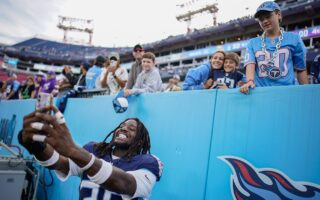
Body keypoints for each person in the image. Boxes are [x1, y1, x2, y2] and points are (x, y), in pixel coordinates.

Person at [18, 106, 163, 199]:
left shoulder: (149, 162)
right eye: (122, 126)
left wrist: (74, 150)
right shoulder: (94, 150)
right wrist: (37, 145)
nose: (124, 129)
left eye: (131, 129)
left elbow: (125, 184)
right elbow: (59, 163)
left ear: (140, 140)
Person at [240, 1, 308, 94]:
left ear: (278, 15)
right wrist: (250, 81)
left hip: (287, 92)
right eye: (261, 19)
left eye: (268, 16)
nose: (264, 21)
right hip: (261, 93)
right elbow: (250, 65)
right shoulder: (252, 43)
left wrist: (307, 91)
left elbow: (300, 70)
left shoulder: (294, 39)